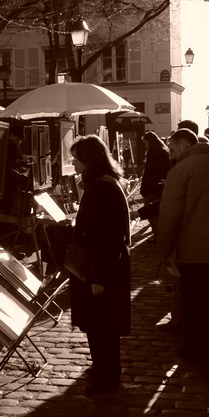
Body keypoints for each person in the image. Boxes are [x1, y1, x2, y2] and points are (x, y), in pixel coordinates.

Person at [157, 128, 209, 365]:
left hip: (192, 253)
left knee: (192, 302)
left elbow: (170, 215)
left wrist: (165, 250)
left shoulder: (181, 170)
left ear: (182, 144)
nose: (170, 153)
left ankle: (193, 347)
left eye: (172, 148)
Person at [68, 135, 131, 393]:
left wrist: (99, 278)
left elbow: (108, 238)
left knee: (103, 325)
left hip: (101, 268)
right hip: (99, 265)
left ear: (89, 159)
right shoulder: (100, 184)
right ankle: (103, 367)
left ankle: (107, 376)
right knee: (98, 323)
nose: (73, 162)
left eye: (76, 157)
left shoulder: (103, 188)